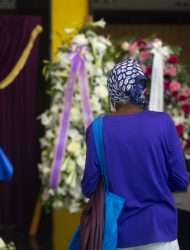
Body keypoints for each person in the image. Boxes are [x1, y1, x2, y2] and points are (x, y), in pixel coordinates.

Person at [81, 58, 189, 250]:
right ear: (142, 88)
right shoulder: (163, 123)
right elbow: (180, 181)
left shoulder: (97, 128)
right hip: (161, 232)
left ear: (112, 91)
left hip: (118, 235)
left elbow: (89, 187)